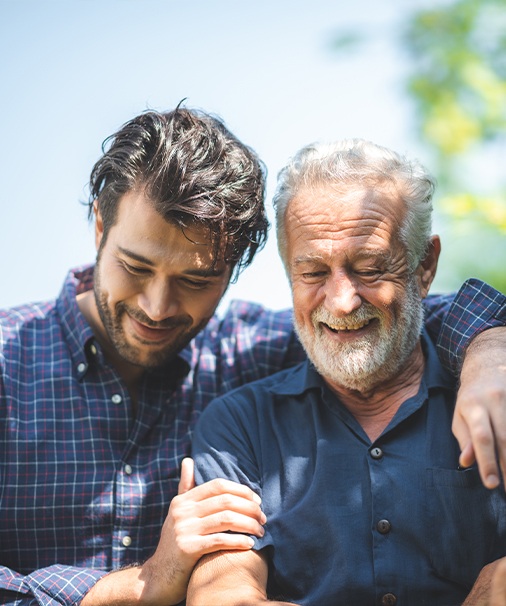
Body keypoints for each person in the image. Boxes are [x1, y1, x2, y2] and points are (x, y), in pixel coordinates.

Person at [0, 109, 504, 606]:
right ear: (99, 228)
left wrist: (489, 352)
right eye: (135, 266)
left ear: (233, 270)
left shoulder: (258, 345)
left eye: (195, 280)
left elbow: (400, 317)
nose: (157, 306)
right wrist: (137, 586)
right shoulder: (8, 360)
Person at [188, 138, 506, 606]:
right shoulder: (240, 424)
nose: (341, 301)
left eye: (370, 268)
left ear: (425, 266)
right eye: (313, 272)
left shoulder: (490, 388)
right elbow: (223, 596)